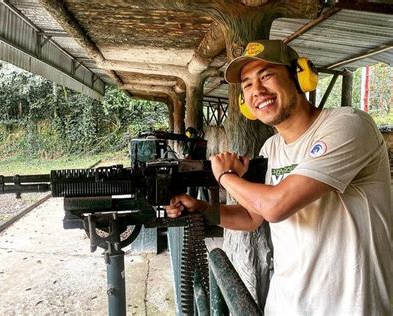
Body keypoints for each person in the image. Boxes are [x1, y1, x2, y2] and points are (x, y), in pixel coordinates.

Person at [165, 39, 391, 315]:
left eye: (267, 76)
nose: (257, 91)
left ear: (300, 77)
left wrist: (225, 176)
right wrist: (201, 209)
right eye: (247, 85)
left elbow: (275, 206)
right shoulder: (271, 148)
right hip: (286, 304)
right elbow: (252, 217)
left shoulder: (349, 125)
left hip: (351, 307)